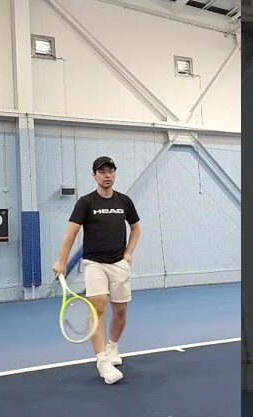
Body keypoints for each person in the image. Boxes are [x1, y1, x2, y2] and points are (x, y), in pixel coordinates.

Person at [53, 156, 141, 384]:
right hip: (94, 263)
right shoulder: (85, 203)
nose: (107, 175)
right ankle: (102, 360)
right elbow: (71, 234)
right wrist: (62, 261)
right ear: (94, 175)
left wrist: (128, 253)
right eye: (102, 172)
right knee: (98, 306)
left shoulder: (124, 201)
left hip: (119, 264)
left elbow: (136, 229)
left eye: (110, 171)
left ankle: (113, 347)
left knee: (120, 312)